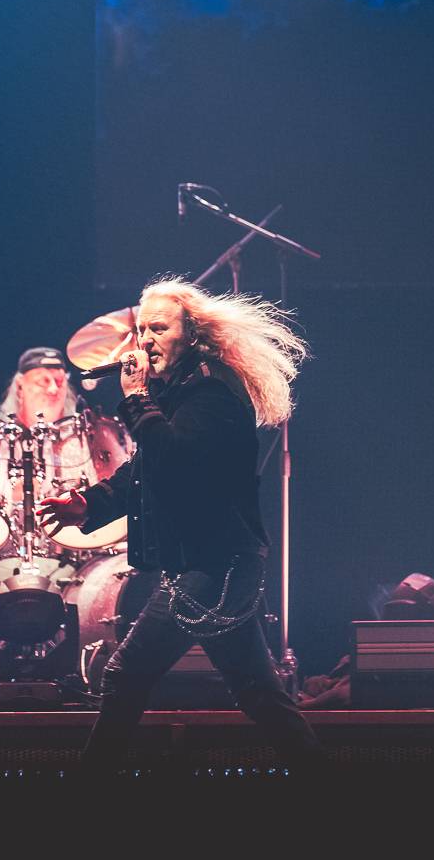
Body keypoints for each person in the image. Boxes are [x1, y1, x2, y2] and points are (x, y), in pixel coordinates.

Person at [38, 275, 322, 769]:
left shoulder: (211, 391)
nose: (145, 340)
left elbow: (173, 457)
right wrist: (90, 504)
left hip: (212, 565)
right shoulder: (181, 391)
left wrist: (133, 398)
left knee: (126, 675)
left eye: (160, 328)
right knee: (259, 693)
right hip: (212, 563)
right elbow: (147, 468)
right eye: (142, 329)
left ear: (193, 334)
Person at [0, 346, 79, 427]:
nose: (54, 389)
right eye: (43, 381)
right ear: (19, 387)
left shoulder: (79, 434)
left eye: (59, 381)